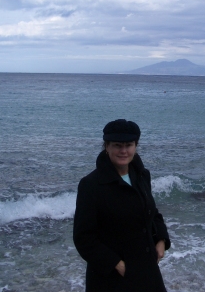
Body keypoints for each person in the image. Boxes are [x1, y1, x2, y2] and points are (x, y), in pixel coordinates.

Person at [73, 119, 171, 292]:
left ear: (136, 146)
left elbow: (152, 213)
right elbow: (83, 238)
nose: (124, 151)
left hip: (147, 269)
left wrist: (161, 240)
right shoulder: (91, 185)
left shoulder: (142, 175)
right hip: (111, 278)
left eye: (129, 145)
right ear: (106, 146)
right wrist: (117, 265)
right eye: (117, 145)